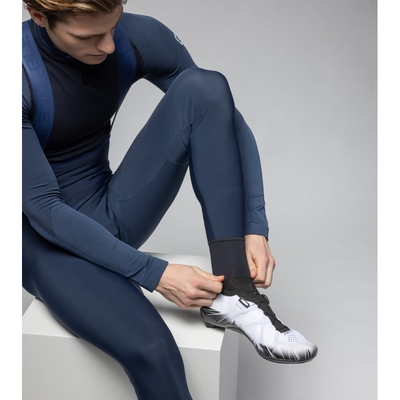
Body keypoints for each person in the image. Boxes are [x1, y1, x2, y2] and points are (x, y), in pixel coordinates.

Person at [22, 0, 317, 398]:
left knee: (205, 85)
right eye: (88, 36)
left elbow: (221, 116)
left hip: (109, 211)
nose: (108, 46)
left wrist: (254, 225)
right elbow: (43, 209)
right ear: (39, 16)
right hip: (45, 242)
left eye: (112, 28)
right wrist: (156, 274)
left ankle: (236, 291)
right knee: (154, 352)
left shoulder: (137, 37)